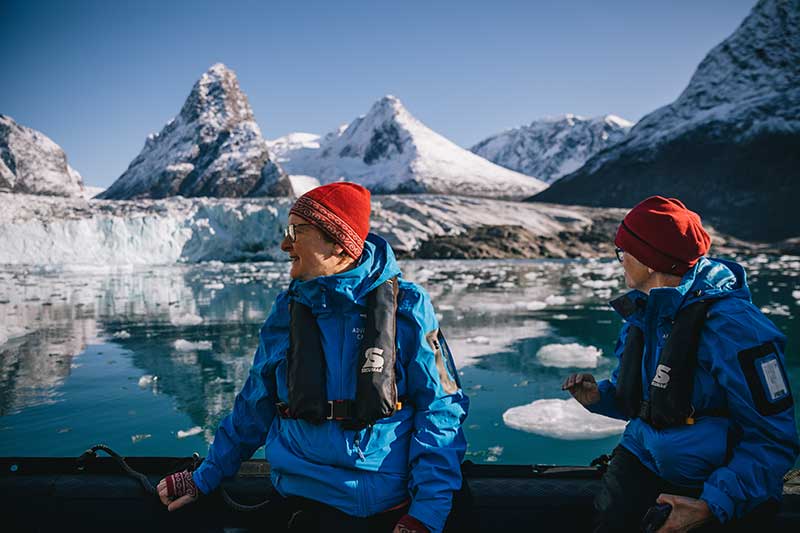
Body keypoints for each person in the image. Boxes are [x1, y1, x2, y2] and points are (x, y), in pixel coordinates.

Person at [157, 182, 469, 533]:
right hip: (296, 498)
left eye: (296, 231)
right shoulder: (287, 310)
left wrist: (426, 514)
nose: (284, 243)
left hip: (378, 501)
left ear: (339, 243)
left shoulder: (407, 307)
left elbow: (440, 410)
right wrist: (203, 478)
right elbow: (255, 405)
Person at [563, 196, 799, 532]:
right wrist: (601, 398)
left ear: (649, 260)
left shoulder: (735, 329)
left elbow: (773, 438)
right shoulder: (644, 313)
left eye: (622, 252)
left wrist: (712, 505)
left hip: (716, 481)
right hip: (644, 455)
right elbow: (651, 398)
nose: (619, 261)